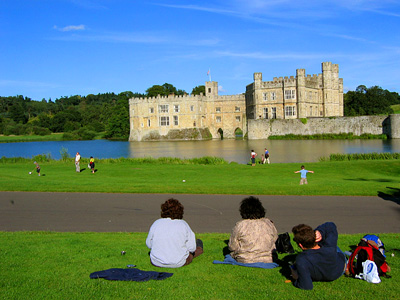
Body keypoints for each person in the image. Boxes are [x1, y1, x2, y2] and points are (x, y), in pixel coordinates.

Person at [146, 198, 203, 268]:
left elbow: (149, 244)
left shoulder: (156, 223)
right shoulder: (183, 224)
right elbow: (192, 247)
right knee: (198, 245)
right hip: (179, 262)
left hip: (157, 262)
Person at [291, 222, 347, 290]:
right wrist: (321, 232)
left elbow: (306, 286)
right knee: (335, 247)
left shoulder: (302, 260)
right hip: (340, 269)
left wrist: (295, 278)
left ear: (301, 245)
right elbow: (331, 225)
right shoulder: (328, 245)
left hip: (326, 271)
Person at [229, 196, 278, 263]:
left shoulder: (240, 225)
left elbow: (232, 246)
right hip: (268, 259)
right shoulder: (269, 223)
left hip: (245, 259)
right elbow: (275, 239)